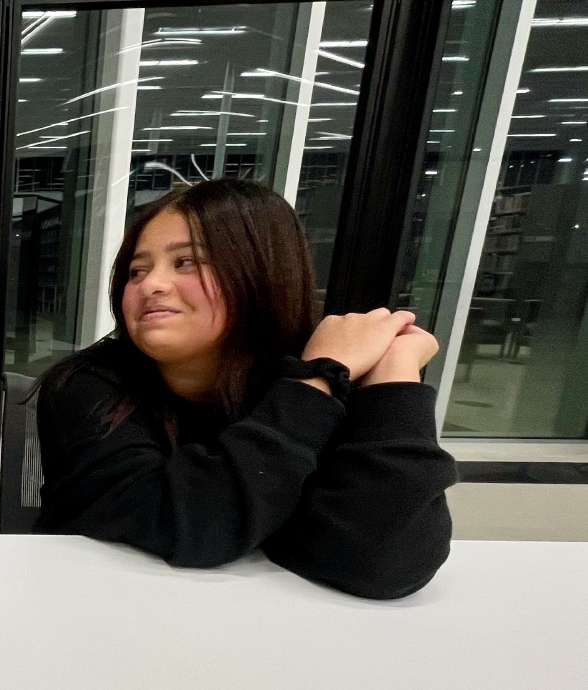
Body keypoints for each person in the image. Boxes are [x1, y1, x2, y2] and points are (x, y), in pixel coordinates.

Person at [33, 179, 457, 599]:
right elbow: (191, 526)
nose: (151, 285)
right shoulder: (88, 387)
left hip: (265, 629)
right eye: (136, 271)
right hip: (108, 609)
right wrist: (315, 379)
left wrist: (396, 374)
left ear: (259, 273)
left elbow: (383, 562)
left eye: (186, 263)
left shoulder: (320, 380)